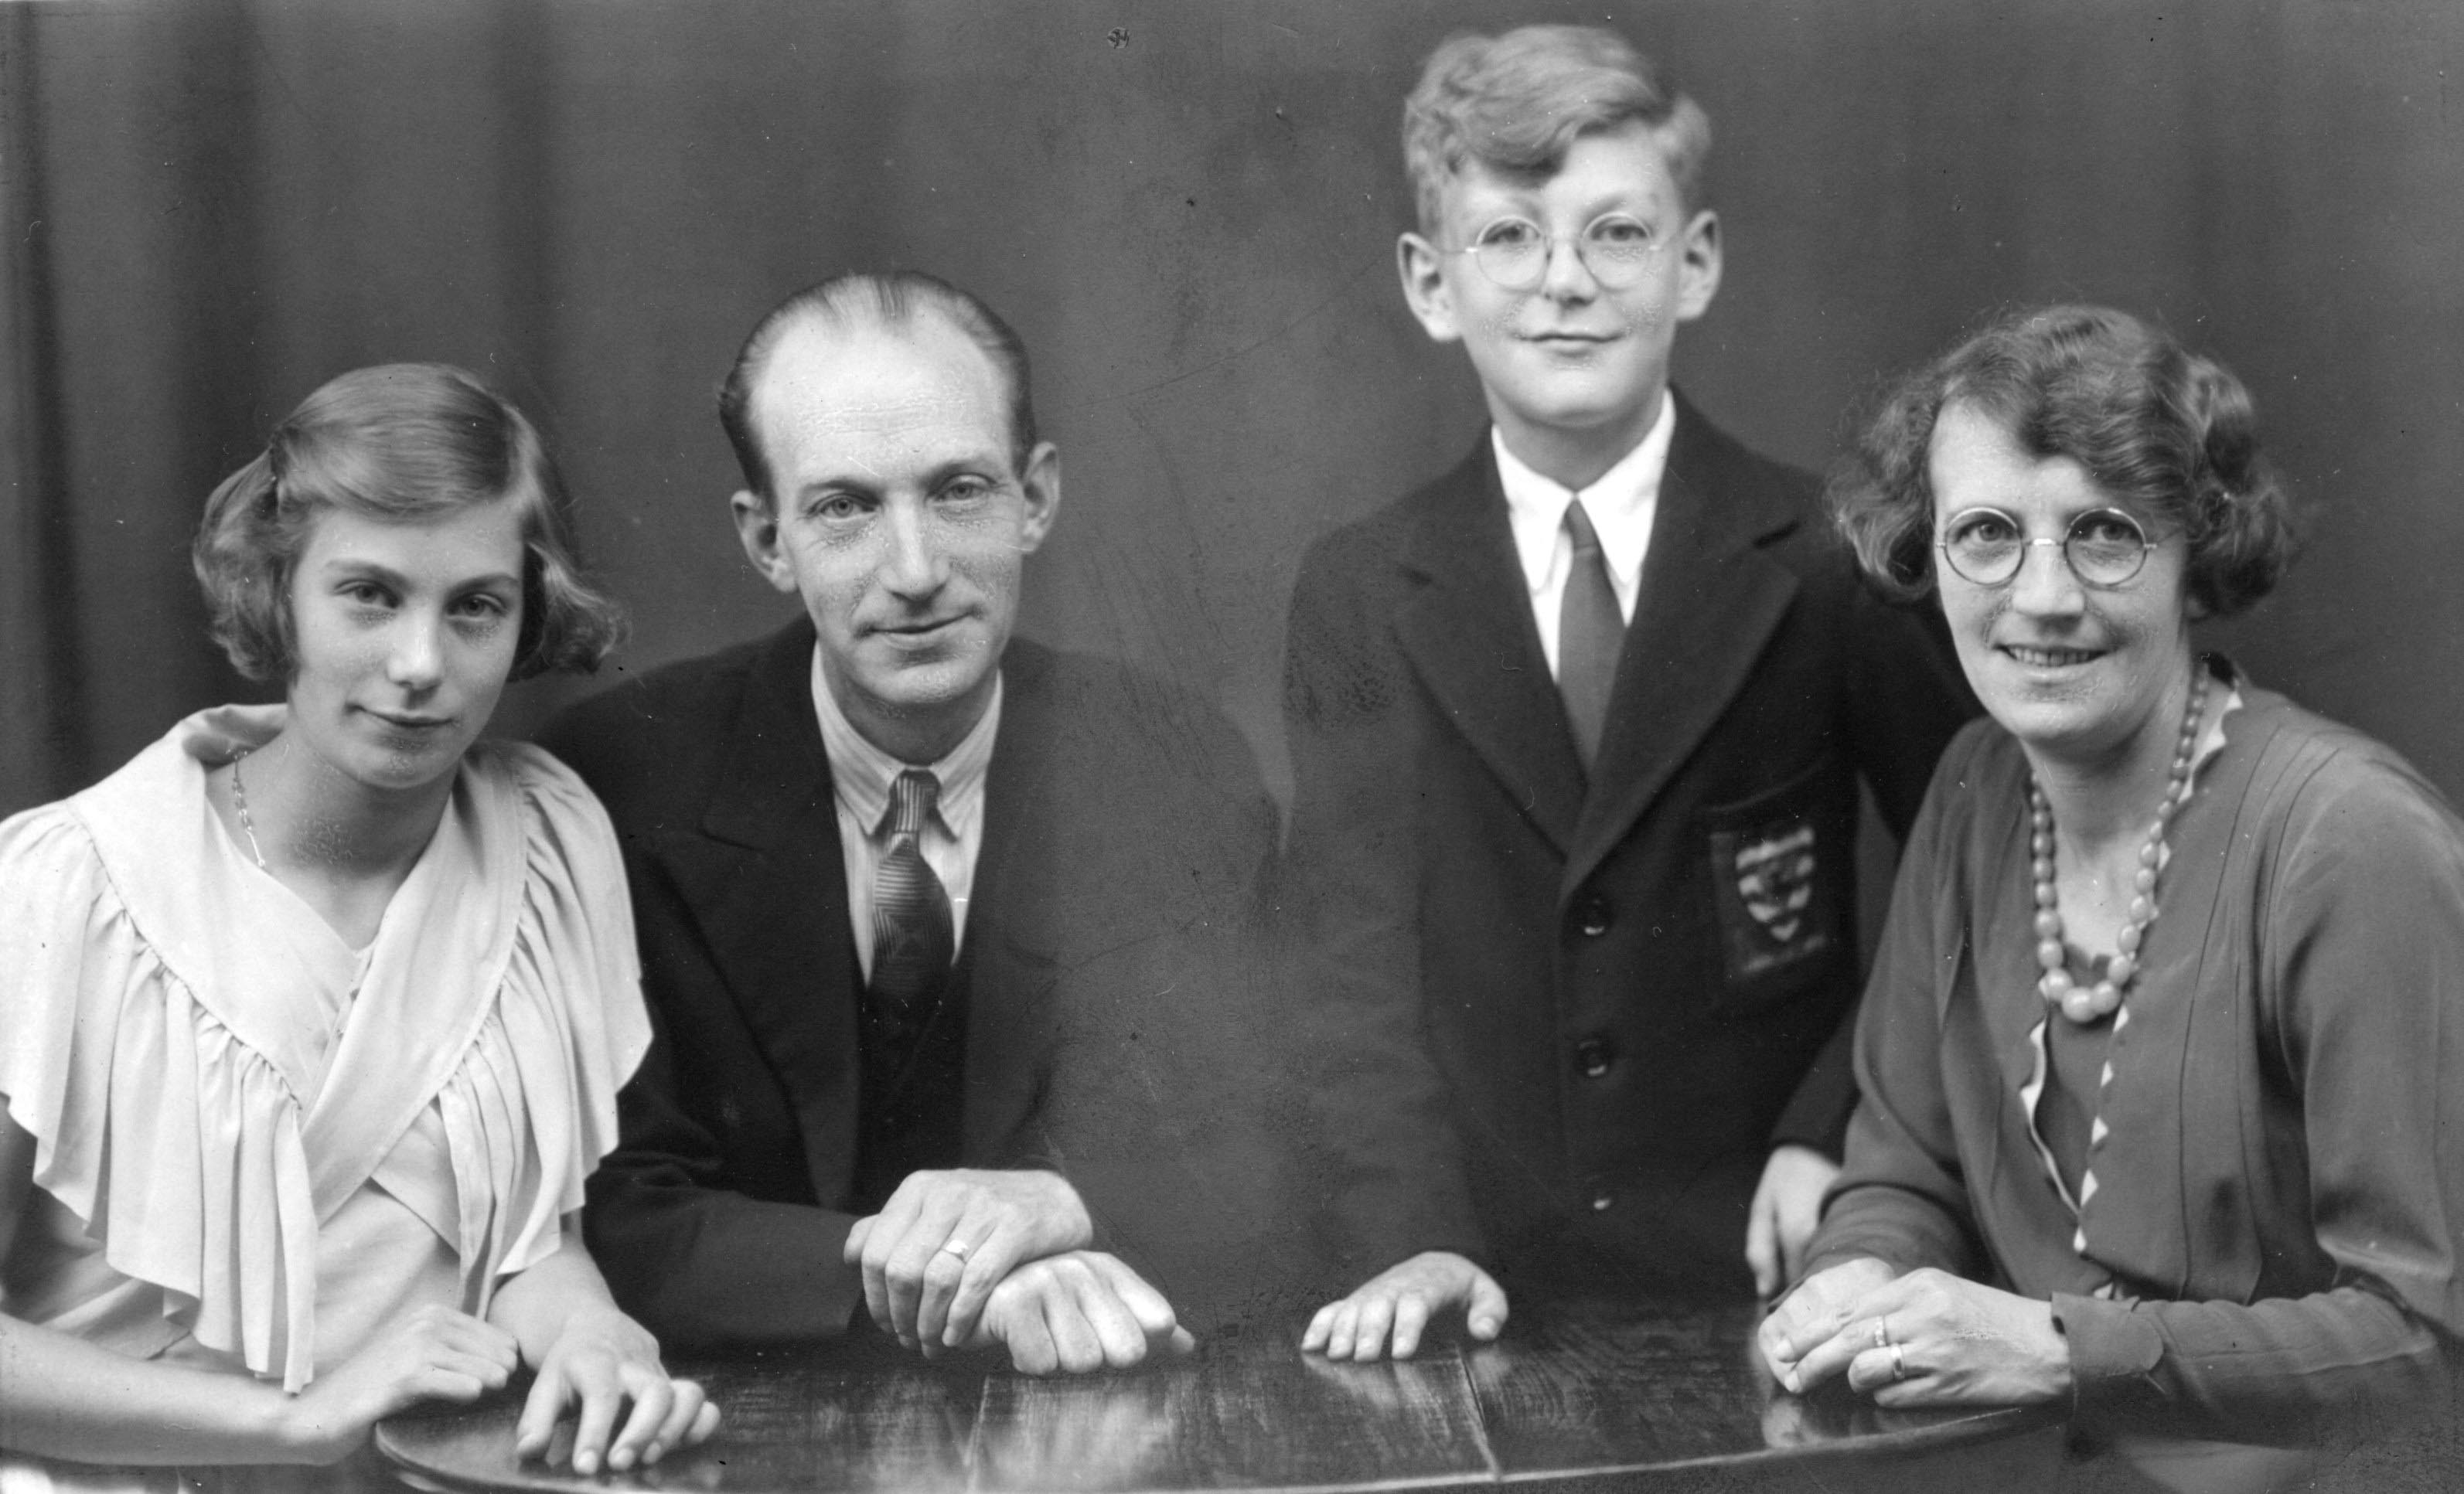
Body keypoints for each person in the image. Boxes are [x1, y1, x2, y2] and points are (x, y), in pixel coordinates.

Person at [1282, 23, 1975, 1360]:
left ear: (1694, 261)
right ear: (1431, 283)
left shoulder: (1829, 558)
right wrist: (1413, 1231)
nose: (1564, 284)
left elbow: (1979, 869)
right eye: (1509, 239)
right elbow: (1344, 973)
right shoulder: (1363, 588)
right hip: (1472, 1274)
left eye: (1616, 233)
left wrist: (1845, 1137)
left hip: (1776, 1252)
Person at [540, 271, 1302, 1378]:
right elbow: (613, 1207)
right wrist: (945, 1278)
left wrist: (1063, 1198)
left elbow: (1256, 1151)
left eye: (958, 491)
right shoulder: (617, 782)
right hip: (732, 1419)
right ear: (766, 539)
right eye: (845, 507)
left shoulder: (1172, 768)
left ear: (1035, 498)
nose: (915, 571)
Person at [1756, 305, 2464, 1483]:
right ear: (1923, 553)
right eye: (1985, 533)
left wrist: (2052, 1347)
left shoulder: (2353, 841)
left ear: (2198, 552)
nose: (2040, 596)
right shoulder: (1976, 792)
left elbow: (2430, 1340)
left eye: (2104, 533)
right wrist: (1859, 1275)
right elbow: (1902, 1166)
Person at [0, 365, 719, 1489]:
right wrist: (297, 1419)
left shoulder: (549, 845)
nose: (421, 664)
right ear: (277, 591)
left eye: (474, 605)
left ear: (530, 615)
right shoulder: (62, 886)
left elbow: (529, 1237)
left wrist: (587, 1328)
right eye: (371, 594)